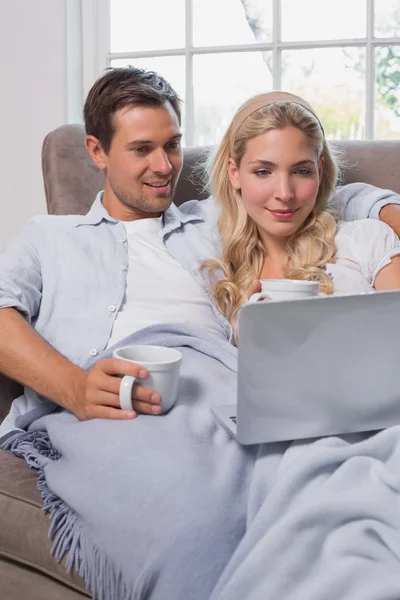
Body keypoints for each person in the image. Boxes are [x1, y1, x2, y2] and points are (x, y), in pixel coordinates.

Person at [1, 69, 400, 440]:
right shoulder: (48, 236)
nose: (163, 167)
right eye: (142, 148)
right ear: (97, 151)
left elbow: (325, 198)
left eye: (172, 145)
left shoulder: (207, 223)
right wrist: (73, 387)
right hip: (108, 403)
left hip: (212, 394)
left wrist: (384, 210)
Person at [202, 91, 400, 327]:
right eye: (263, 172)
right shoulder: (217, 274)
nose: (285, 193)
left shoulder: (366, 241)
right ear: (234, 173)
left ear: (320, 170)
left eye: (301, 171)